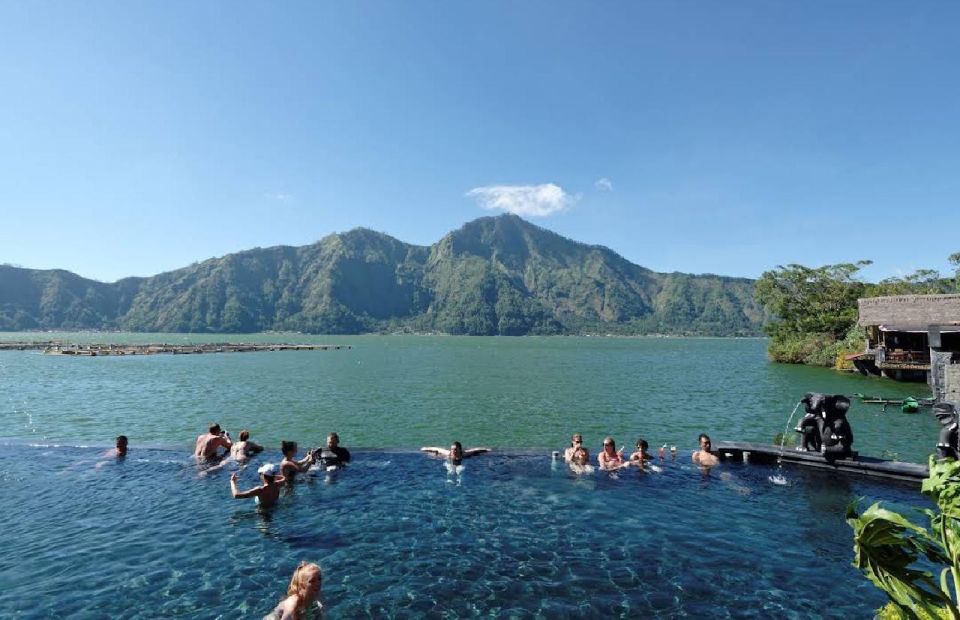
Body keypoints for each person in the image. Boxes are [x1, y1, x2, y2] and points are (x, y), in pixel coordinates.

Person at [420, 442, 490, 466]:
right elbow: (437, 449)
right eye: (452, 449)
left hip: (460, 460)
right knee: (433, 455)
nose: (453, 451)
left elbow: (475, 450)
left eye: (455, 449)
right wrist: (426, 448)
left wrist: (486, 449)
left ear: (460, 450)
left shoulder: (464, 454)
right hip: (450, 460)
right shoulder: (449, 453)